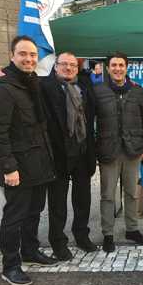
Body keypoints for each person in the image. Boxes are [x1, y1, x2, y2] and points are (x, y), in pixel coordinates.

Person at [0, 35, 57, 285]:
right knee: (14, 217)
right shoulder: (2, 88)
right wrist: (8, 167)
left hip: (38, 163)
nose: (29, 59)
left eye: (33, 55)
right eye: (23, 54)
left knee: (34, 212)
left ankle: (30, 250)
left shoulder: (31, 82)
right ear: (12, 56)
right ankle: (11, 266)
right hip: (17, 168)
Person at [40, 52, 98, 261]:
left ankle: (81, 235)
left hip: (82, 150)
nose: (68, 68)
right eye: (64, 64)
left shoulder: (83, 86)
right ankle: (58, 241)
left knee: (83, 198)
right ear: (55, 66)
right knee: (58, 202)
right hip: (59, 153)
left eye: (72, 65)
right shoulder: (45, 87)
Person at [93, 52, 143, 252]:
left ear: (126, 68)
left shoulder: (137, 90)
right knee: (108, 195)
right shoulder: (98, 91)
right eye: (114, 65)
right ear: (108, 68)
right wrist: (94, 149)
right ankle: (108, 233)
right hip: (108, 150)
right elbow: (90, 121)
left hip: (132, 150)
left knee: (132, 193)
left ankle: (132, 229)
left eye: (121, 65)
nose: (117, 69)